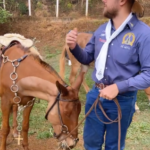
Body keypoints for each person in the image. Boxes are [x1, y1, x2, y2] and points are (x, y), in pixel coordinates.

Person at [65, 0, 150, 150]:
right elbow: (86, 58)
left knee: (113, 146)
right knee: (91, 144)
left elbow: (148, 75)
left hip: (122, 101)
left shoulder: (143, 34)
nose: (103, 0)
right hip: (95, 96)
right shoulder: (101, 30)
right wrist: (73, 47)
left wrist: (118, 87)